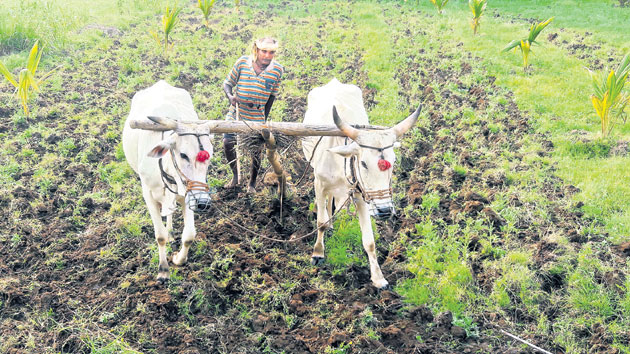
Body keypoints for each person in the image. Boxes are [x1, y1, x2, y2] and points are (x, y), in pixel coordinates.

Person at [222, 37, 284, 192]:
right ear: (256, 50)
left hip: (257, 114)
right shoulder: (243, 62)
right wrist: (231, 97)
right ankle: (236, 176)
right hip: (238, 111)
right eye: (264, 51)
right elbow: (228, 83)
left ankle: (252, 183)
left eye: (271, 52)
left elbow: (272, 96)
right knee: (227, 142)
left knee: (256, 151)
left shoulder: (277, 70)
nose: (267, 55)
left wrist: (263, 117)